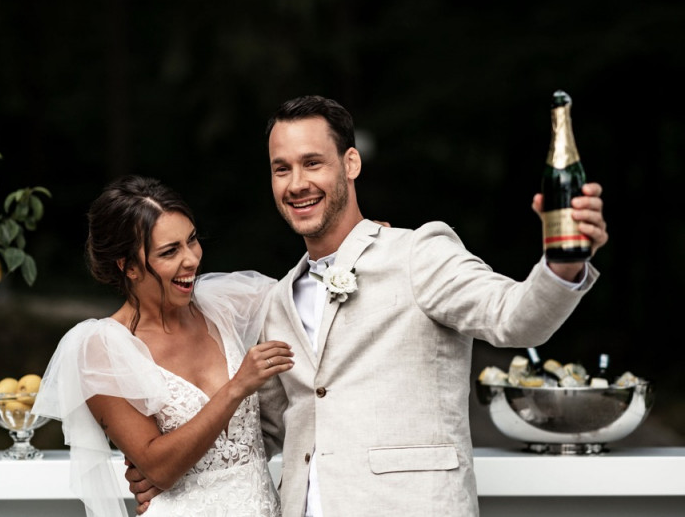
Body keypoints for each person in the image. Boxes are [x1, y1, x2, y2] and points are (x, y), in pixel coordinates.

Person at [128, 95, 608, 516]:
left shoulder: (419, 253)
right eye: (282, 168)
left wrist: (563, 265)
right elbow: (266, 429)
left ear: (351, 163)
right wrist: (171, 467)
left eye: (313, 163)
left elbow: (515, 320)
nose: (296, 183)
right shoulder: (276, 303)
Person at [32, 175, 294, 517]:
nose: (191, 260)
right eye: (170, 251)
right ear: (129, 267)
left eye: (192, 240)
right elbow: (159, 468)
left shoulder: (227, 305)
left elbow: (310, 292)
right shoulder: (103, 349)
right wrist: (236, 388)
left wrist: (360, 246)